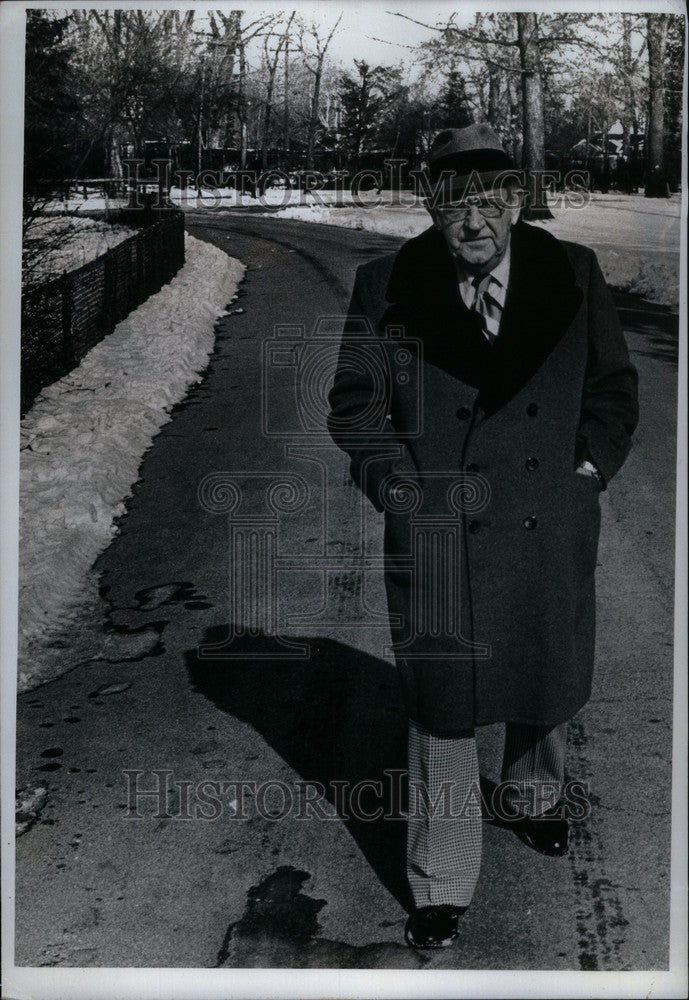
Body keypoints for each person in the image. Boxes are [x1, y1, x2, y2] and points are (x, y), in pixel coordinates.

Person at [326, 123, 639, 949]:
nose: (475, 222)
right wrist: (397, 487)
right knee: (443, 705)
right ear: (431, 209)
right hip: (439, 529)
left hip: (546, 515)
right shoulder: (386, 284)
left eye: (491, 202)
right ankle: (442, 876)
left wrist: (588, 468)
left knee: (543, 667)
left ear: (514, 204)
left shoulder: (570, 273)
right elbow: (355, 404)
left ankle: (534, 799)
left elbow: (611, 386)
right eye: (455, 204)